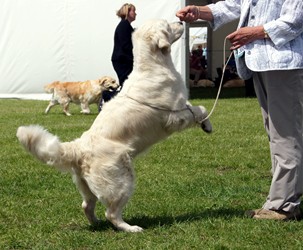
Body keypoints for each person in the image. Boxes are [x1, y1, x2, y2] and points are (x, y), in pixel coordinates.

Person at [176, 1, 303, 220]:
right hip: (262, 63)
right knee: (276, 134)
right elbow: (234, 5)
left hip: (285, 64)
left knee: (286, 135)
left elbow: (296, 19)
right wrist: (199, 12)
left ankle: (283, 206)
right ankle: (282, 198)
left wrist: (255, 32)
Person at [99, 3, 137, 111]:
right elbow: (126, 46)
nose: (136, 13)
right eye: (134, 11)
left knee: (128, 85)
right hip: (122, 61)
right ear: (127, 12)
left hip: (124, 60)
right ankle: (107, 97)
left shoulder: (126, 26)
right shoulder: (124, 26)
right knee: (126, 86)